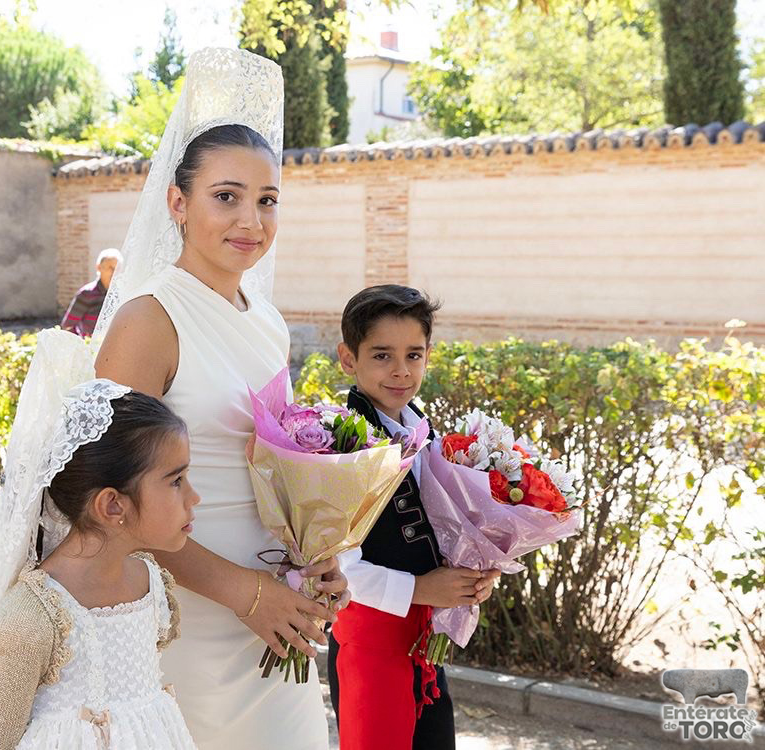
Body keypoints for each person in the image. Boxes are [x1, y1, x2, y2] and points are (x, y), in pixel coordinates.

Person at [92, 48, 345, 750]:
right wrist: (241, 592)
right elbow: (108, 501)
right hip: (191, 623)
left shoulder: (268, 322)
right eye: (226, 196)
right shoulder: (149, 320)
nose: (251, 221)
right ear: (177, 203)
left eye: (267, 202)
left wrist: (316, 557)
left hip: (279, 616)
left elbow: (275, 467)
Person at [0, 381, 199, 749]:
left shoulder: (150, 586)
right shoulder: (31, 621)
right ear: (112, 505)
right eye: (177, 481)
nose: (194, 497)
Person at [328, 285, 503, 750]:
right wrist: (421, 589)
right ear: (349, 358)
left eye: (414, 354)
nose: (401, 371)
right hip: (370, 643)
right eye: (382, 355)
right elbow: (332, 566)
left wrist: (473, 574)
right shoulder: (338, 445)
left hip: (425, 639)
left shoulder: (423, 430)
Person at [60, 248, 122, 337]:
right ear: (99, 267)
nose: (114, 272)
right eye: (110, 268)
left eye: (117, 268)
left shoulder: (121, 294)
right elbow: (68, 326)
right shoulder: (86, 294)